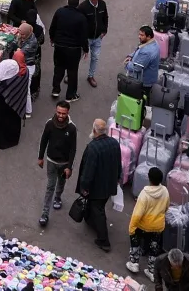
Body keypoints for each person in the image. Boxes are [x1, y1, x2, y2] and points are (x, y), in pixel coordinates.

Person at [76, 117, 124, 253]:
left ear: (94, 130)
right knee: (99, 206)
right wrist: (118, 178)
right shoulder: (114, 143)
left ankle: (104, 240)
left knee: (98, 210)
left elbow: (88, 171)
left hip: (96, 187)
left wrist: (84, 187)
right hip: (109, 184)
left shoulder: (93, 147)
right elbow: (118, 163)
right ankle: (91, 220)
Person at [36, 102, 77, 229]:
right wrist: (40, 157)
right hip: (51, 162)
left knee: (61, 183)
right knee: (50, 186)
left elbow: (73, 149)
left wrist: (69, 167)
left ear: (68, 113)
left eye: (63, 113)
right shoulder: (49, 124)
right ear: (56, 110)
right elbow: (44, 140)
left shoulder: (71, 128)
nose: (60, 115)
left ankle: (58, 197)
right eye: (59, 112)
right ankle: (45, 213)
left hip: (64, 163)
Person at [127, 167, 170, 273]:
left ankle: (134, 263)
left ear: (149, 179)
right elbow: (166, 207)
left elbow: (137, 214)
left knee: (135, 240)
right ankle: (151, 270)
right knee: (154, 247)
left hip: (143, 225)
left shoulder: (144, 194)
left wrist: (132, 228)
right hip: (158, 226)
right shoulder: (165, 191)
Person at [48, 0, 89, 100]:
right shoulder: (81, 17)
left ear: (67, 1)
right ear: (78, 4)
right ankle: (70, 95)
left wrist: (52, 38)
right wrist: (86, 49)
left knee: (58, 69)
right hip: (73, 49)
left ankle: (55, 90)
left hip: (59, 46)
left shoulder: (59, 12)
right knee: (72, 72)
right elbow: (84, 35)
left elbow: (53, 27)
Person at [0, 56, 28, 149]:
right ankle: (12, 139)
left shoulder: (3, 83)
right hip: (15, 106)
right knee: (12, 121)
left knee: (0, 122)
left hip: (2, 105)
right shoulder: (23, 73)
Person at [83, 0, 111, 89]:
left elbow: (105, 17)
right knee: (77, 57)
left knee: (95, 57)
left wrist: (104, 30)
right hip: (86, 39)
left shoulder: (102, 4)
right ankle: (70, 74)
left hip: (98, 38)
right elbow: (79, 22)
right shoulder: (83, 7)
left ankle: (90, 76)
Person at [126, 24, 163, 89]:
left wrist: (127, 63)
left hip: (144, 83)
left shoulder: (147, 52)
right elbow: (139, 49)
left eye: (142, 35)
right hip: (150, 79)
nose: (139, 36)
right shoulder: (153, 42)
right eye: (139, 34)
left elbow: (137, 68)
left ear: (148, 37)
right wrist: (131, 56)